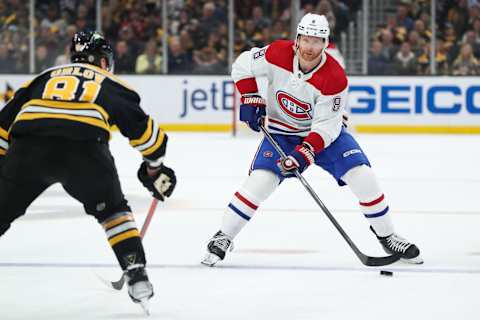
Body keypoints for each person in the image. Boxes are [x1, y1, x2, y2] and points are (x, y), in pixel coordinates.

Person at [202, 14, 422, 267]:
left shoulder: (335, 77)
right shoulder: (276, 53)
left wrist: (305, 150)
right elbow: (242, 65)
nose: (310, 47)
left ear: (325, 43)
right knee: (260, 182)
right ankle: (223, 236)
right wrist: (250, 96)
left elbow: (327, 126)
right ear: (297, 39)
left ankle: (387, 235)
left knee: (363, 176)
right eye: (305, 40)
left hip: (324, 136)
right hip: (281, 132)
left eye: (316, 42)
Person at [0, 31, 176, 311]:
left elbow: (3, 123)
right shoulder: (110, 82)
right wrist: (154, 168)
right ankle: (136, 271)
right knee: (113, 212)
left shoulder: (44, 76)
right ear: (103, 61)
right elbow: (145, 133)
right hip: (83, 148)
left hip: (29, 146)